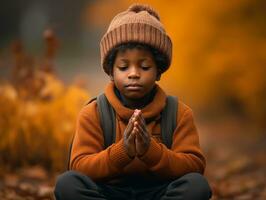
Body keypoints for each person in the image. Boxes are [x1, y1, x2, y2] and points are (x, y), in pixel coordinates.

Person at [54, 3, 212, 200]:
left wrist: (151, 151)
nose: (134, 74)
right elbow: (79, 166)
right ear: (111, 71)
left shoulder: (178, 113)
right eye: (123, 67)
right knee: (67, 184)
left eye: (144, 66)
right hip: (109, 192)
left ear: (158, 71)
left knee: (197, 186)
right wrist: (123, 151)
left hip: (159, 192)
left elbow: (194, 166)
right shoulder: (94, 112)